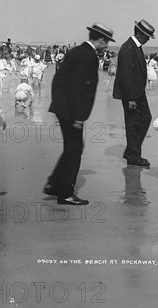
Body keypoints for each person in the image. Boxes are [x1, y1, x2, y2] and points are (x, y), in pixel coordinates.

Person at [44, 23, 115, 205]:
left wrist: (59, 105)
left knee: (72, 147)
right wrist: (78, 116)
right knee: (75, 149)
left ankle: (54, 184)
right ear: (99, 39)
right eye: (106, 41)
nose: (107, 46)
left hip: (64, 108)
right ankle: (65, 193)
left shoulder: (76, 51)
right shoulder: (88, 56)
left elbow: (59, 80)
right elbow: (79, 88)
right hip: (72, 112)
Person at [113, 19, 156, 167]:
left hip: (137, 91)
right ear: (139, 34)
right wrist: (131, 98)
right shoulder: (128, 48)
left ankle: (131, 150)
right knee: (133, 123)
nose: (147, 40)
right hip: (131, 93)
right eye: (146, 37)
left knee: (145, 119)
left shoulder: (135, 46)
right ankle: (133, 155)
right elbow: (125, 75)